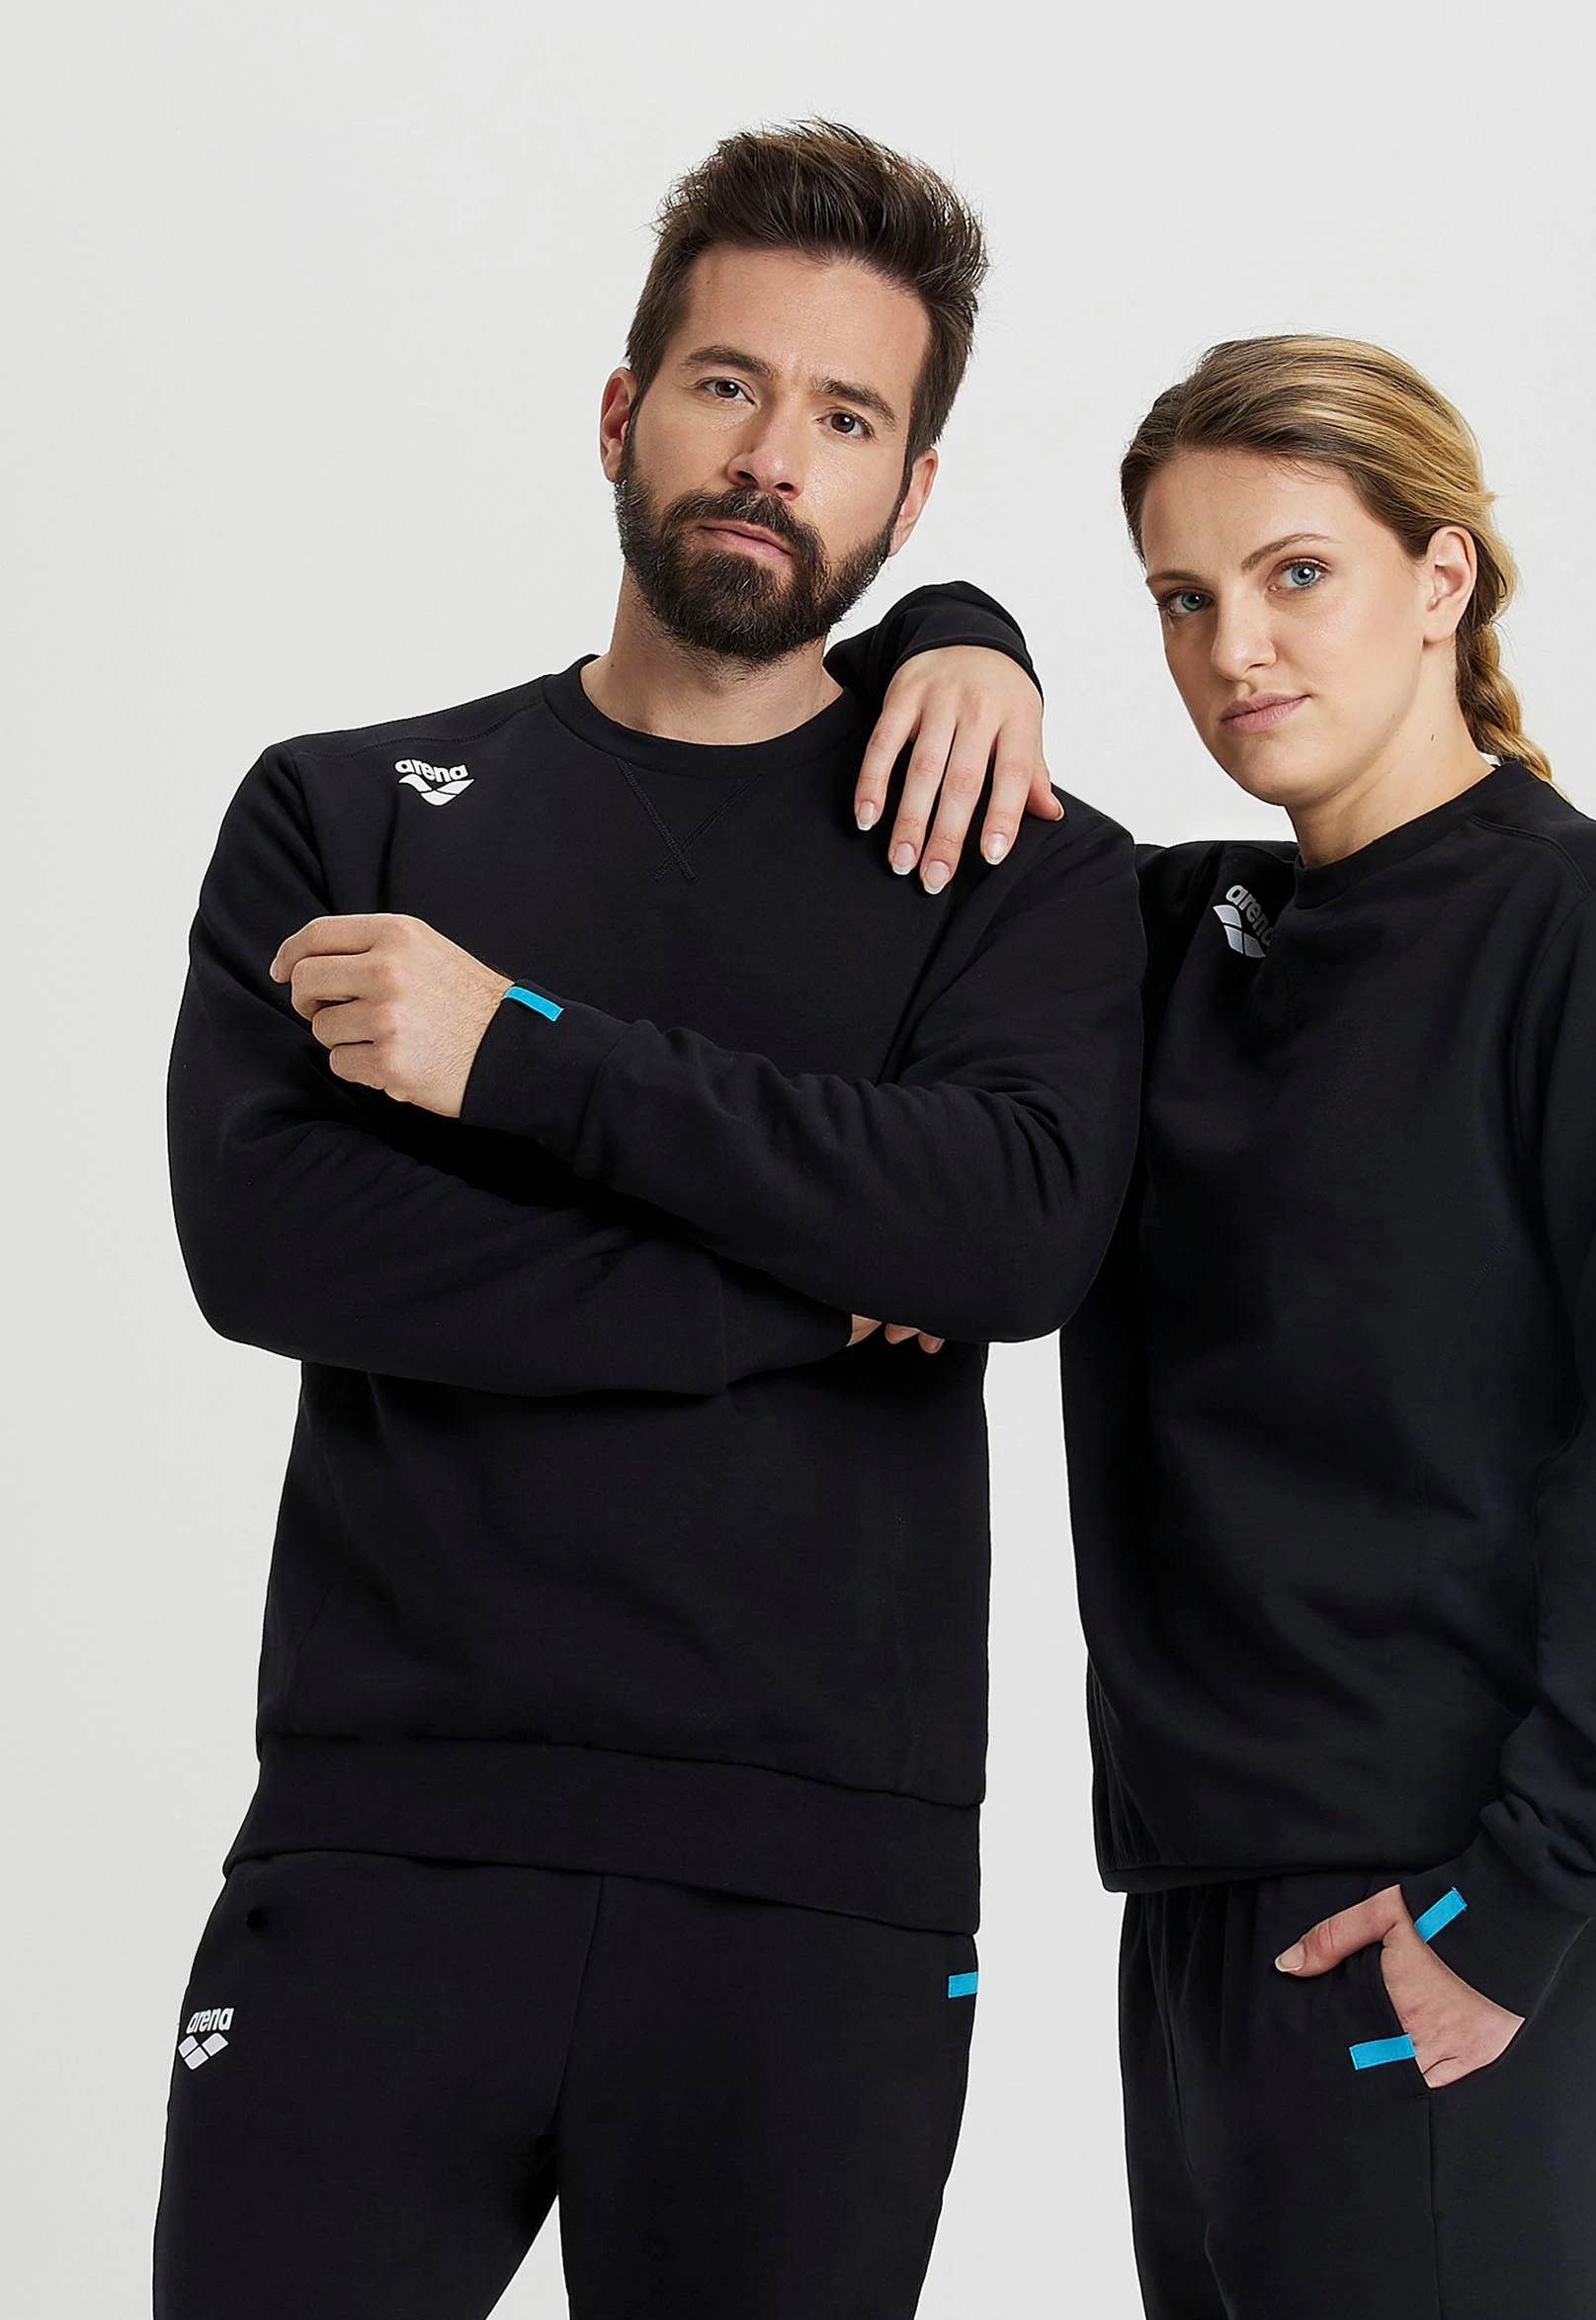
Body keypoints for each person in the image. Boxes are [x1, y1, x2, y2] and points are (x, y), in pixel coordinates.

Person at [155, 121, 1141, 2320]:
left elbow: (1010, 1238)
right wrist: (804, 1289)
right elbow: (275, 1244)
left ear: (913, 497)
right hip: (384, 1841)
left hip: (816, 1896)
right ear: (621, 411)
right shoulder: (346, 813)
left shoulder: (1013, 862)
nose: (774, 455)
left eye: (848, 418)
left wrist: (511, 1057)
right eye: (726, 384)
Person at [871, 335, 1596, 2317]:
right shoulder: (1171, 938)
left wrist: (1529, 1897)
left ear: (1441, 577)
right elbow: (874, 804)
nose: (1234, 651)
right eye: (1181, 597)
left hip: (1435, 1886)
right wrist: (965, 637)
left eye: (1298, 573)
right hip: (1191, 1897)